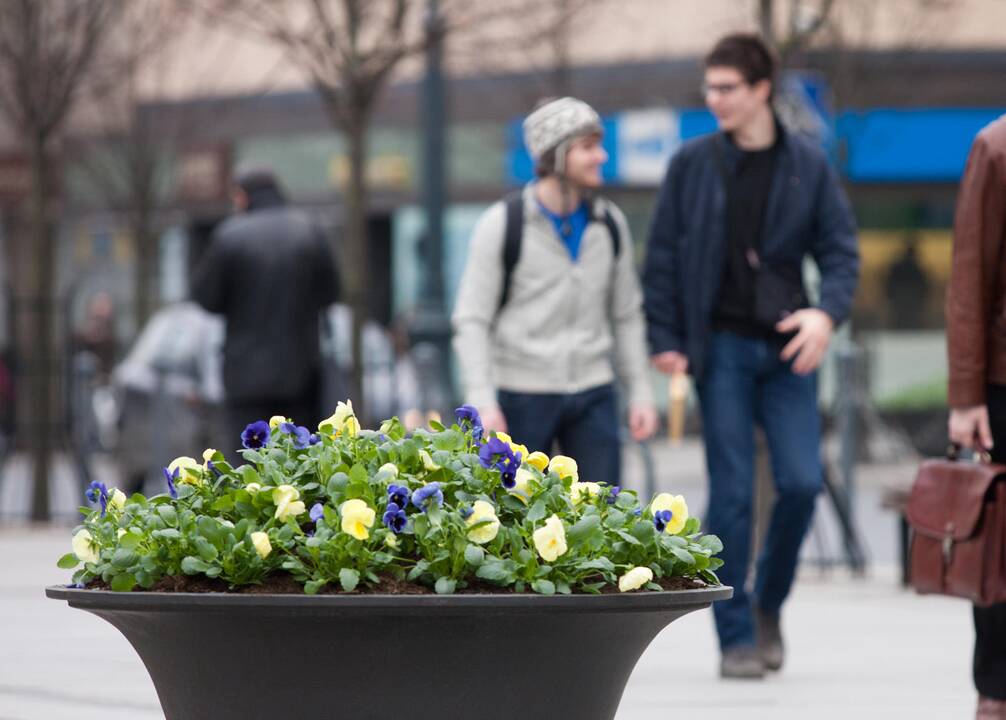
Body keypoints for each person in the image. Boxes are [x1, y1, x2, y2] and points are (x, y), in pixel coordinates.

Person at [642, 34, 859, 679]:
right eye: (709, 88)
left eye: (726, 88)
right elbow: (662, 259)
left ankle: (769, 605)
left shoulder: (809, 165)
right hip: (722, 351)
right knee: (732, 493)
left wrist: (826, 314)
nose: (714, 100)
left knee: (801, 482)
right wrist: (666, 341)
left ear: (762, 89)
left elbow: (842, 253)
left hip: (788, 347)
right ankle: (735, 636)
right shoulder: (692, 163)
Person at [452, 97, 658, 485]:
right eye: (587, 147)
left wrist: (641, 393)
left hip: (595, 392)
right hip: (522, 396)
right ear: (556, 155)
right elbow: (472, 319)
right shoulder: (503, 225)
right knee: (521, 525)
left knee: (603, 517)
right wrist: (482, 399)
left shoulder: (609, 223)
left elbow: (627, 315)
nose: (601, 156)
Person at [192, 167, 340, 455]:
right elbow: (331, 293)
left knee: (248, 461)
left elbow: (206, 297)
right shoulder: (309, 230)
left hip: (245, 377)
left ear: (242, 196)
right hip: (302, 373)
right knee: (299, 458)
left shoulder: (230, 236)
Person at [945, 113, 1006, 720]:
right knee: (1000, 556)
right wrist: (965, 395)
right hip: (1002, 384)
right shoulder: (996, 146)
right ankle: (996, 691)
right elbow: (969, 278)